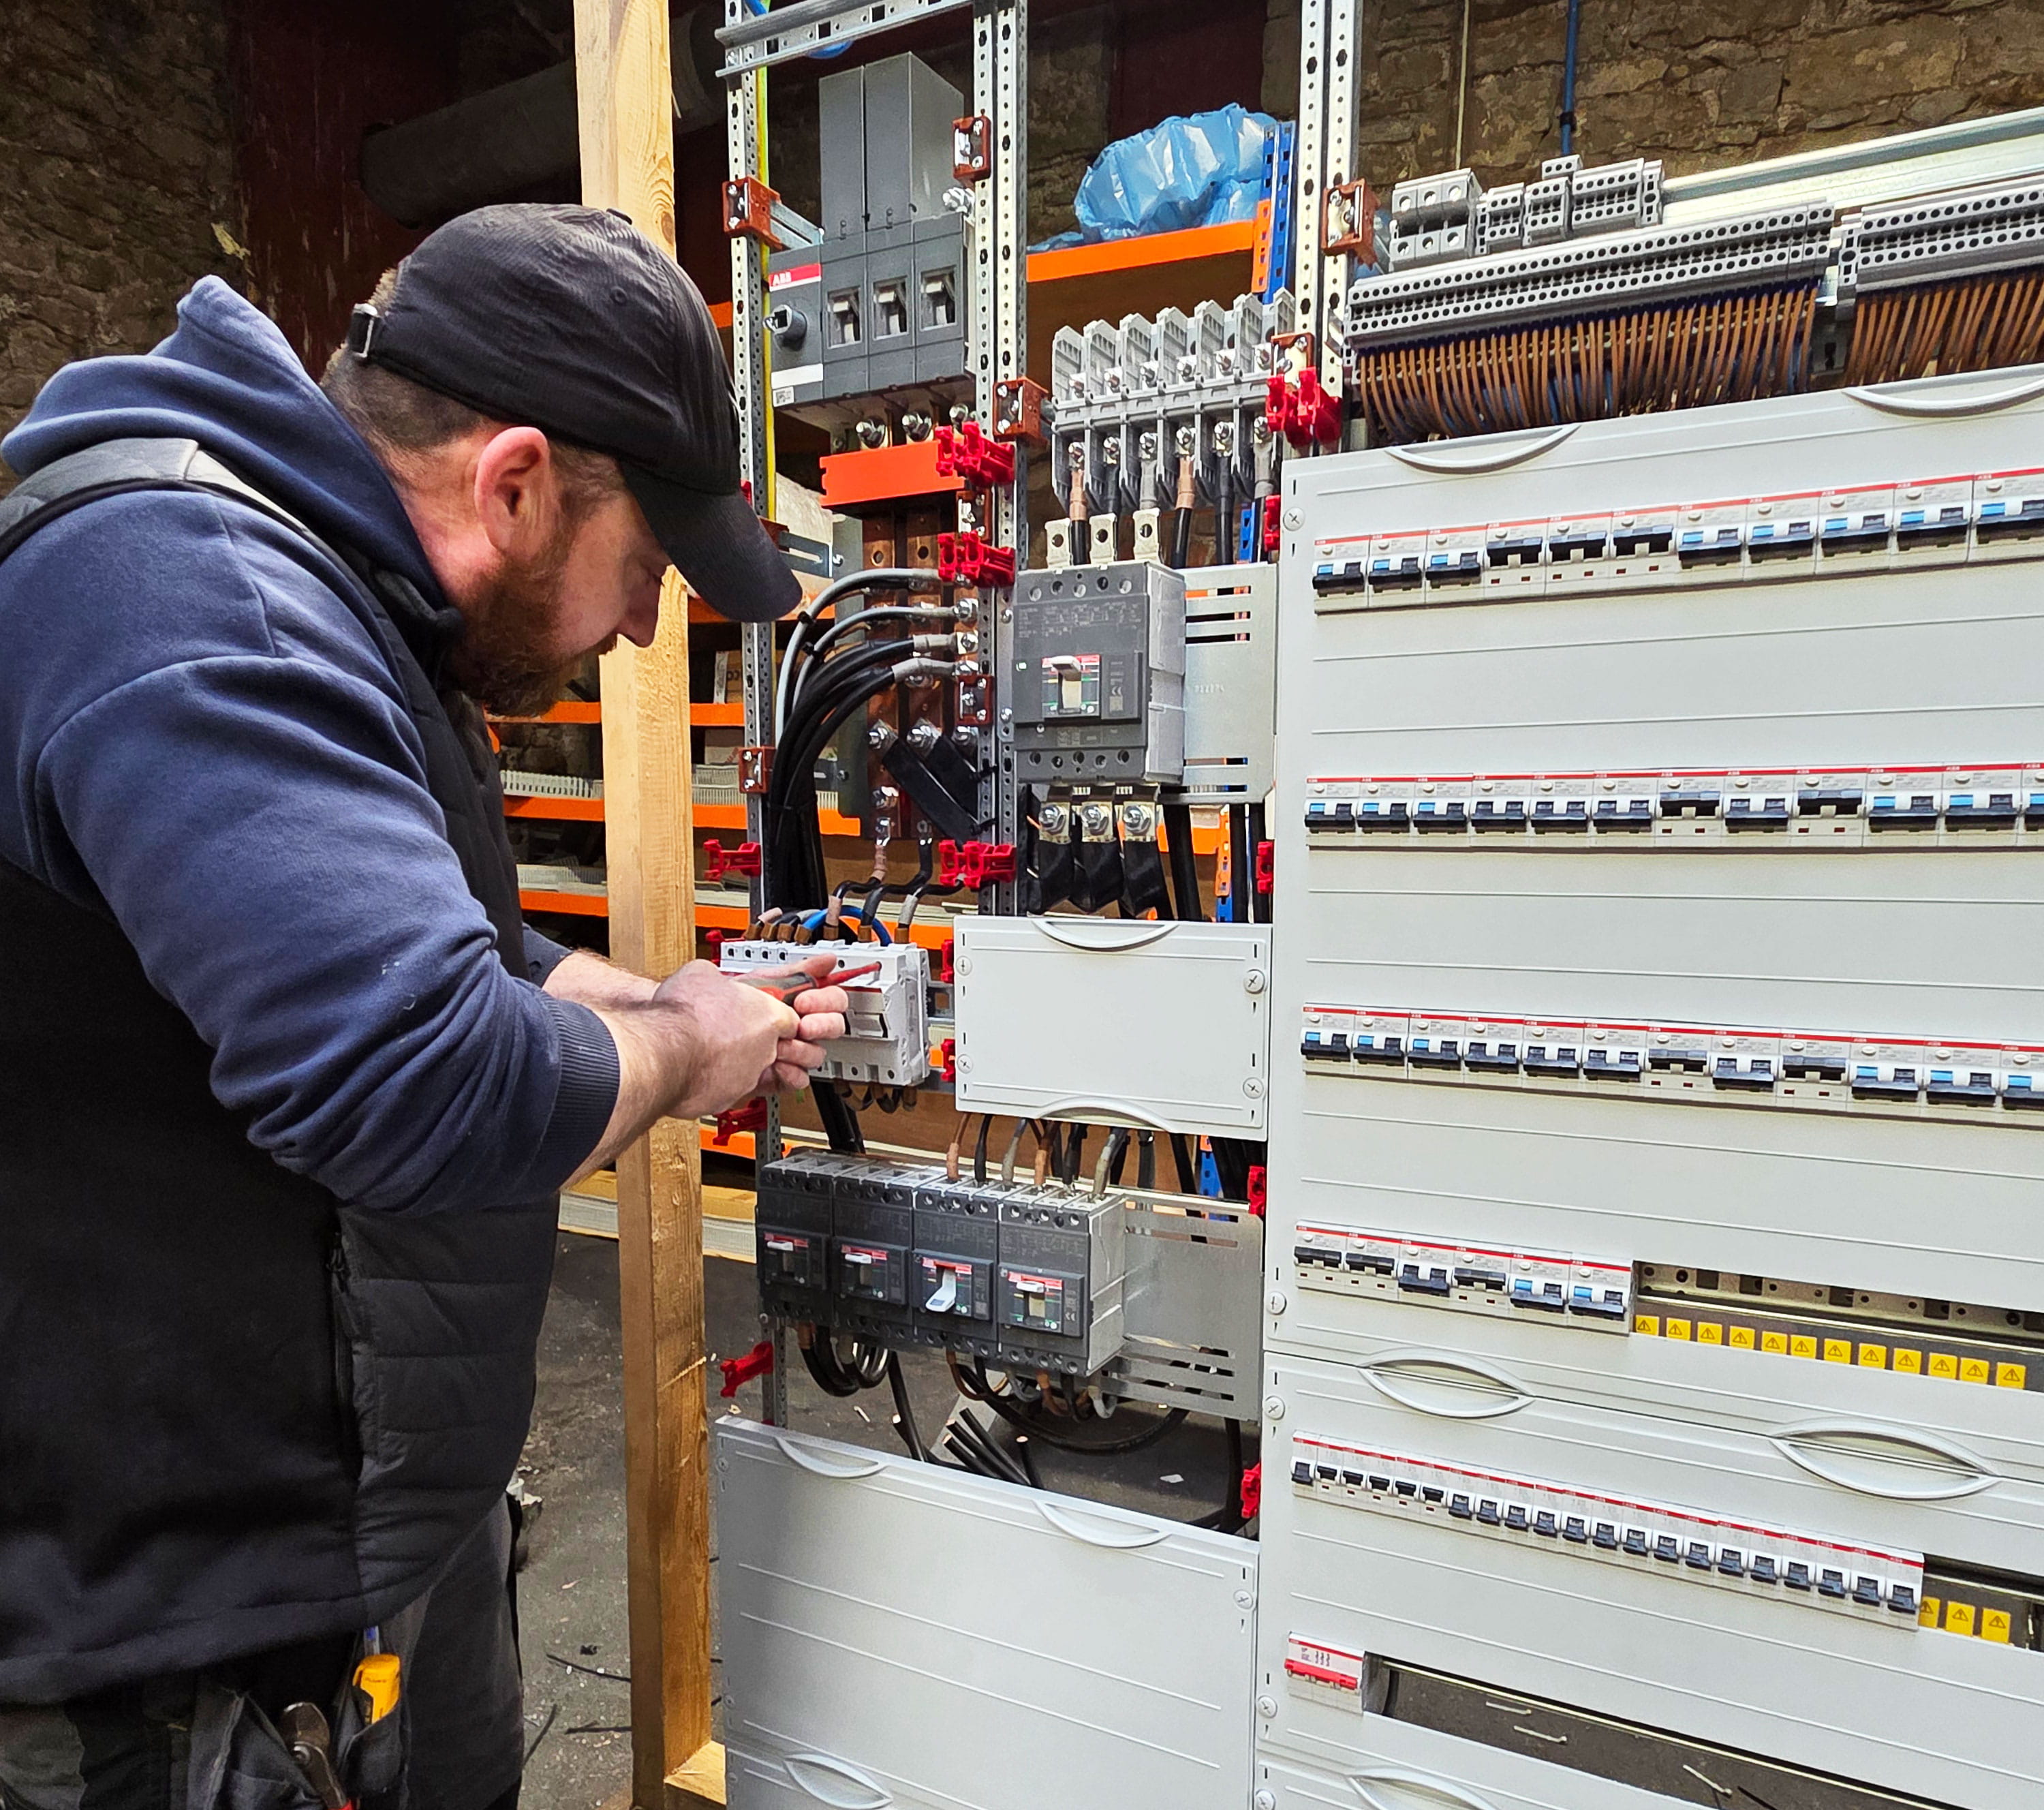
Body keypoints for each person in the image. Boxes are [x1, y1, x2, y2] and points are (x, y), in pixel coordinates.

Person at [0, 205, 841, 1810]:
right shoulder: (192, 599)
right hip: (167, 1648)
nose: (646, 626)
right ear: (514, 483)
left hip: (355, 1556)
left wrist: (653, 993)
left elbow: (441, 953)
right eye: (644, 566)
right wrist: (682, 1055)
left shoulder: (332, 603)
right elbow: (416, 1072)